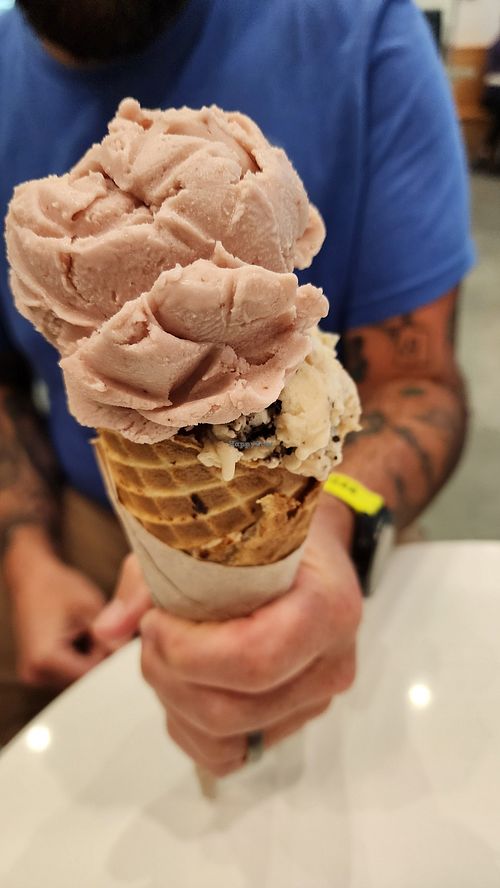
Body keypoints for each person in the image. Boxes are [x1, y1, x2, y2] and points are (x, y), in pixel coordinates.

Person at [0, 0, 473, 773]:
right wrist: (25, 553)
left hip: (338, 507)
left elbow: (417, 381)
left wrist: (330, 534)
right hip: (66, 529)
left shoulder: (360, 29)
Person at [479, 34, 500, 172]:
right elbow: (491, 77)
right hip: (494, 93)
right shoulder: (496, 47)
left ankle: (486, 152)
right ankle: (486, 152)